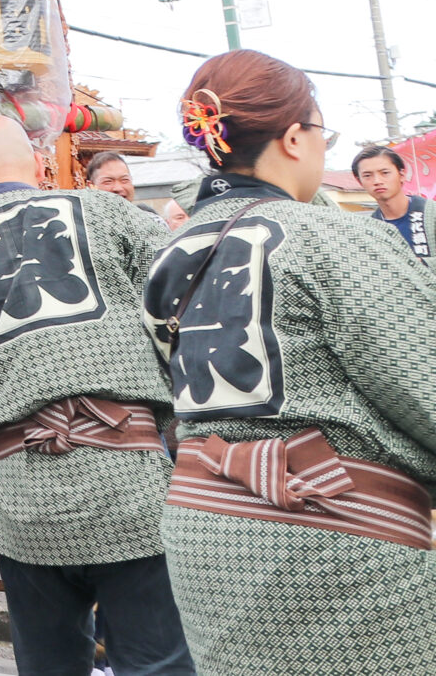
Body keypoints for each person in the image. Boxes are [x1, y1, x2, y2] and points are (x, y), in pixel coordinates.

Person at [147, 50, 436, 676]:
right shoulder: (331, 236)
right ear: (295, 137)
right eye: (322, 133)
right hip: (338, 545)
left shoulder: (169, 252)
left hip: (206, 537)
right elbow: (426, 385)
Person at [0, 115, 193, 676]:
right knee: (160, 665)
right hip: (130, 483)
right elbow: (181, 302)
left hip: (22, 502)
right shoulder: (108, 214)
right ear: (40, 165)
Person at [350, 142, 430, 260]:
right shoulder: (368, 229)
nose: (377, 181)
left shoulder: (431, 213)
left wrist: (419, 264)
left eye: (385, 173)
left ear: (402, 174)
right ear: (359, 181)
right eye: (367, 175)